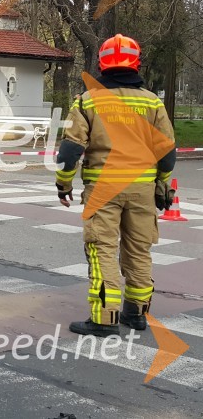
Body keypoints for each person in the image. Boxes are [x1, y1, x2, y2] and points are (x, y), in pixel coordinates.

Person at [56, 34, 176, 337]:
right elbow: (167, 154)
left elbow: (71, 150)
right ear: (137, 63)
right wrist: (163, 188)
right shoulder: (152, 102)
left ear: (101, 63)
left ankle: (104, 319)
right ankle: (136, 314)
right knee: (139, 250)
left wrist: (63, 184)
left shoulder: (88, 100)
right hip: (142, 190)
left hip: (104, 190)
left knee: (102, 250)